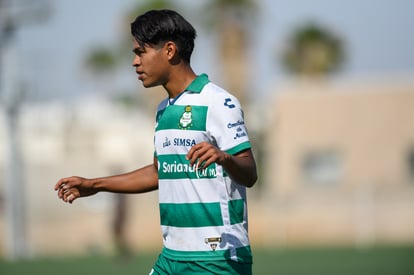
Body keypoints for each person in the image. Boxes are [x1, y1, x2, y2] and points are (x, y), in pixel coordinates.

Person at [54, 9, 257, 275]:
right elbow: (158, 172)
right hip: (172, 257)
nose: (135, 62)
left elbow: (250, 173)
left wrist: (224, 157)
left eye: (141, 52)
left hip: (216, 259)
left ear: (170, 50)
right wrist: (95, 184)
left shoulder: (218, 102)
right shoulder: (164, 110)